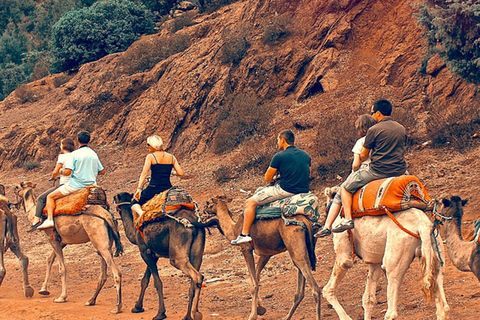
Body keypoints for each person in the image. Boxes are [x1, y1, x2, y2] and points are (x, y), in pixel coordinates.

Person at [330, 99, 407, 233]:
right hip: (400, 169)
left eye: (372, 113)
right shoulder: (401, 128)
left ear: (378, 113)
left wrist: (359, 156)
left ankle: (348, 219)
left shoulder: (374, 129)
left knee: (345, 187)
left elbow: (364, 155)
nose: (372, 116)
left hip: (378, 170)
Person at [231, 130, 311, 245]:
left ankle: (245, 234)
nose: (277, 143)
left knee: (250, 203)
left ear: (283, 140)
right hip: (304, 190)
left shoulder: (279, 156)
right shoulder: (305, 155)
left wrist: (275, 179)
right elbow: (308, 173)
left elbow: (267, 178)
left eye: (278, 140)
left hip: (286, 190)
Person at [315, 114, 376, 237]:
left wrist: (354, 172)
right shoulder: (379, 139)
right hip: (381, 169)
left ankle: (328, 226)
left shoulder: (361, 142)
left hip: (366, 171)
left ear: (361, 128)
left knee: (340, 193)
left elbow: (355, 165)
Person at [37, 131, 105, 230]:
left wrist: (61, 171)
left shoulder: (74, 154)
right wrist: (90, 171)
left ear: (77, 140)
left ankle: (50, 220)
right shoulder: (94, 154)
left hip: (76, 185)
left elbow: (68, 172)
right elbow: (102, 171)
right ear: (89, 140)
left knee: (50, 197)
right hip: (92, 185)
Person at [131, 135, 184, 219]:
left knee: (134, 203)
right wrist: (172, 172)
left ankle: (141, 213)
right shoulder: (171, 157)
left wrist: (139, 189)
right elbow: (181, 173)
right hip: (168, 188)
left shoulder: (151, 157)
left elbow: (144, 173)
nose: (147, 147)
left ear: (152, 146)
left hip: (153, 188)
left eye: (148, 145)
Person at [29, 138, 75, 231]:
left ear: (63, 146)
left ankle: (37, 220)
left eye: (61, 144)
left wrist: (54, 176)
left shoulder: (62, 156)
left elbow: (55, 171)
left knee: (42, 198)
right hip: (75, 182)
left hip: (65, 184)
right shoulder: (75, 156)